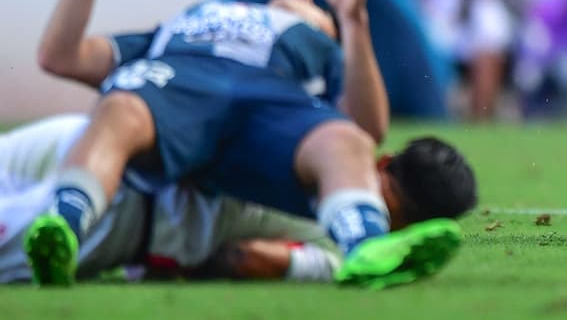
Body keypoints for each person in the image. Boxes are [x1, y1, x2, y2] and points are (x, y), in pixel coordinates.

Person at [23, 0, 476, 287]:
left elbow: (368, 126)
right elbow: (59, 56)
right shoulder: (181, 30)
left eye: (319, 10)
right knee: (121, 109)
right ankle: (64, 225)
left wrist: (353, 21)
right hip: (180, 90)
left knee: (344, 141)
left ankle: (366, 248)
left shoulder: (315, 60)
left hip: (270, 111)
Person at [2, 113, 342, 283]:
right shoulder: (336, 250)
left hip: (92, 137)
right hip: (123, 202)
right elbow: (243, 257)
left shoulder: (307, 127)